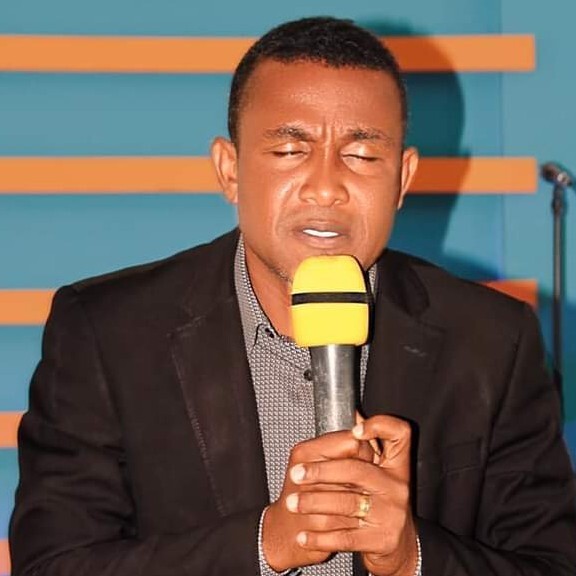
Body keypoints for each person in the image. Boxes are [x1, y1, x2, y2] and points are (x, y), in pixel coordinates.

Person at [9, 16, 576, 576]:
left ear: (402, 179)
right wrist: (267, 544)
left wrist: (411, 559)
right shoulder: (107, 334)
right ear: (229, 170)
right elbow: (53, 564)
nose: (326, 188)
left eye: (361, 155)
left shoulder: (492, 342)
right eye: (289, 150)